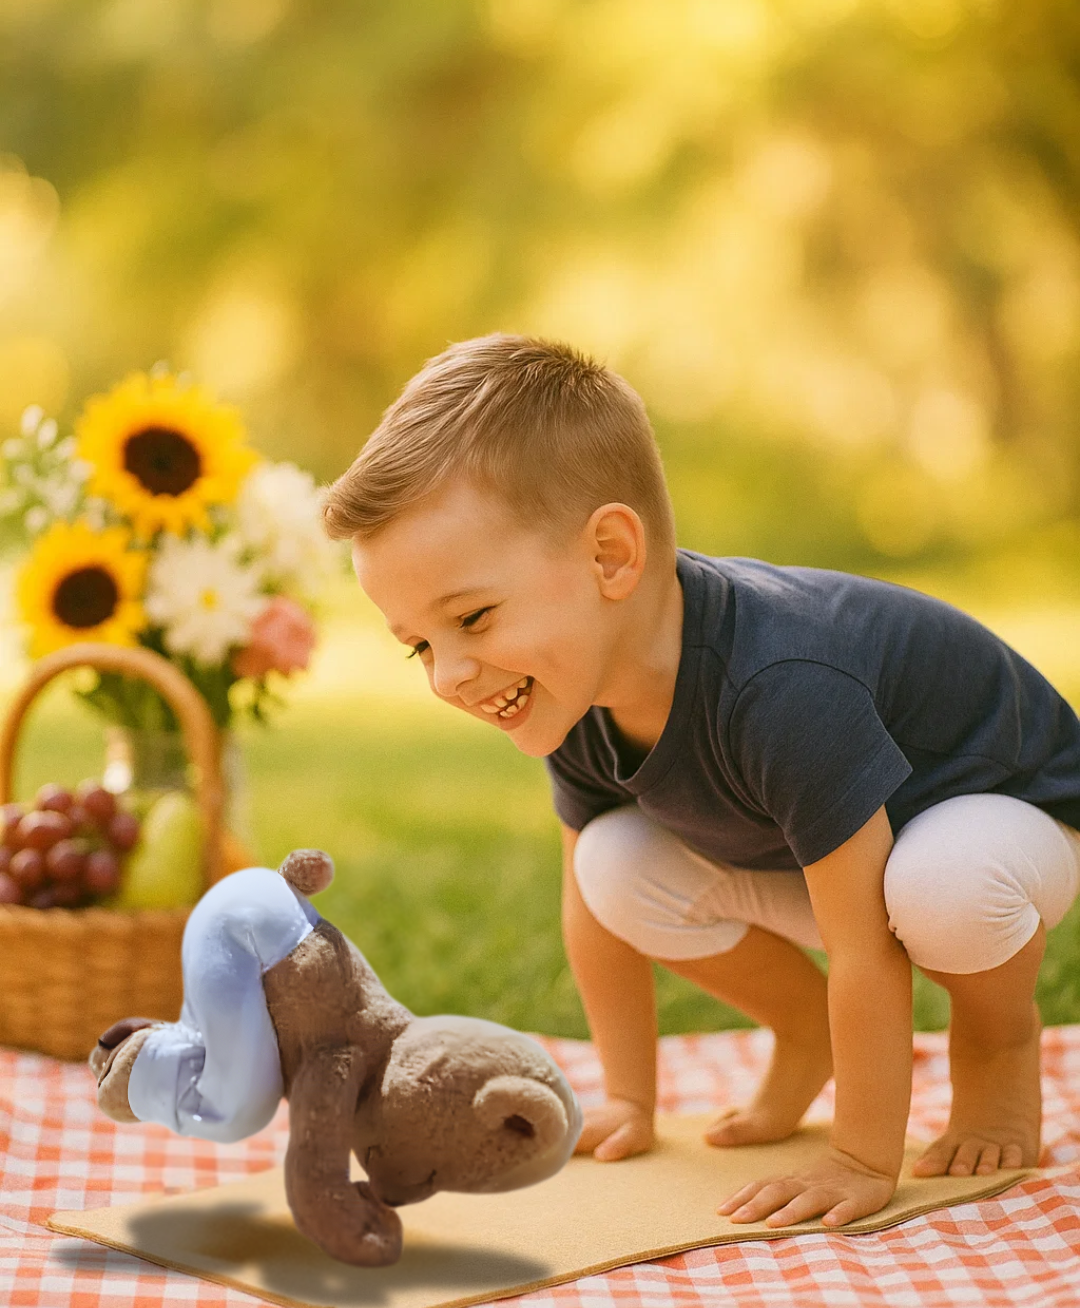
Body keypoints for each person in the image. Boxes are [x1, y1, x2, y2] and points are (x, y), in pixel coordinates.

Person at [320, 332, 1080, 1229]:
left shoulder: (781, 685)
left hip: (1002, 821)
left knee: (936, 885)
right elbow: (592, 914)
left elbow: (866, 947)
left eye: (472, 619)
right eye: (419, 645)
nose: (448, 675)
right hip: (832, 855)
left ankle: (997, 1047)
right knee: (613, 863)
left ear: (609, 556)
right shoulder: (574, 689)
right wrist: (628, 1101)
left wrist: (861, 1159)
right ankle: (805, 1033)